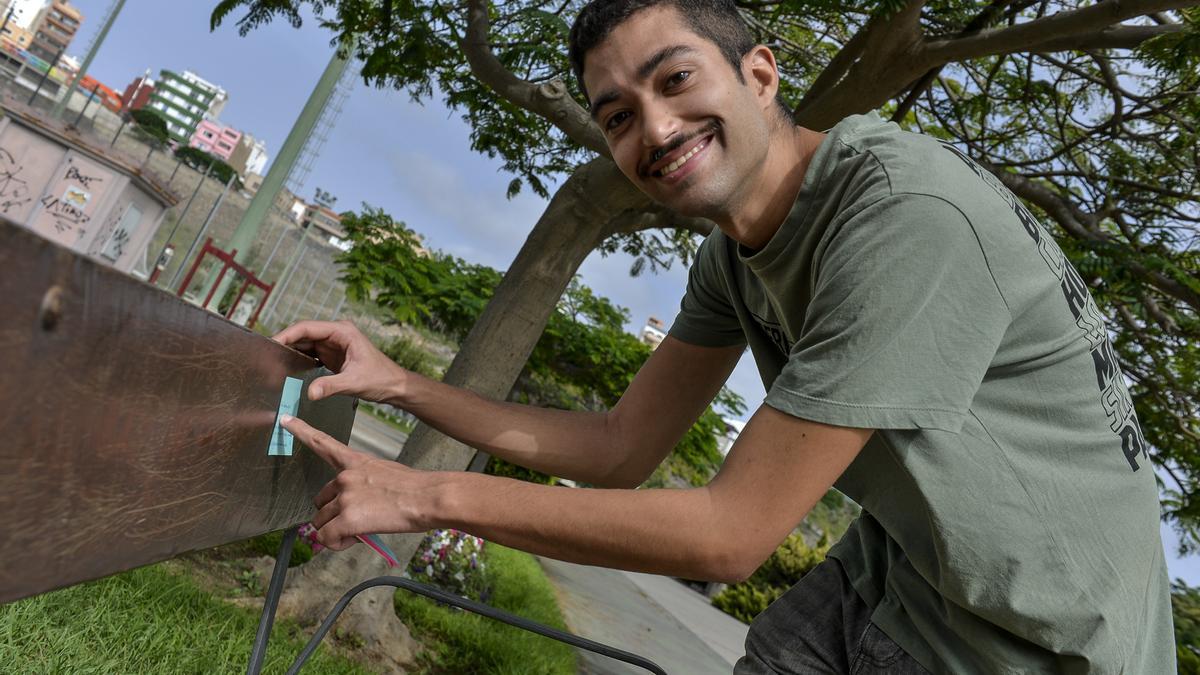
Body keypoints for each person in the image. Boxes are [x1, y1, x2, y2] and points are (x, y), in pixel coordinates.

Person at [275, 0, 1175, 672]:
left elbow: (730, 534)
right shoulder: (735, 257)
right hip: (898, 572)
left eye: (675, 80)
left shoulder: (906, 219)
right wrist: (398, 382)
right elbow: (620, 447)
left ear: (759, 75)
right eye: (618, 115)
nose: (656, 128)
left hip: (1039, 643)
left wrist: (423, 495)